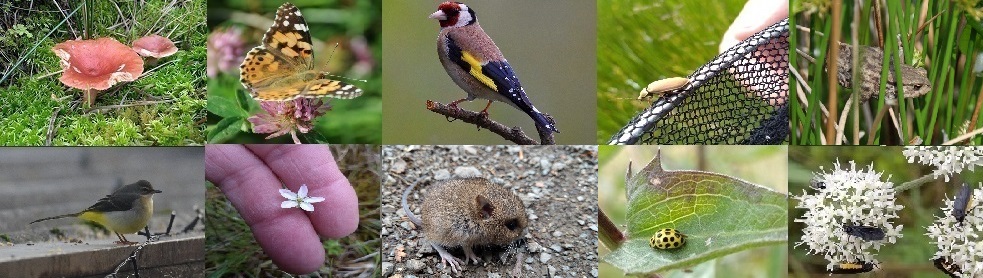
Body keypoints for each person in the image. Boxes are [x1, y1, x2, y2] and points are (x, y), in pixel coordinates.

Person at [205, 145, 359, 274]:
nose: (299, 200)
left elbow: (302, 199)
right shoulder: (292, 199)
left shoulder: (303, 200)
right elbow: (289, 197)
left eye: (300, 200)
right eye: (299, 199)